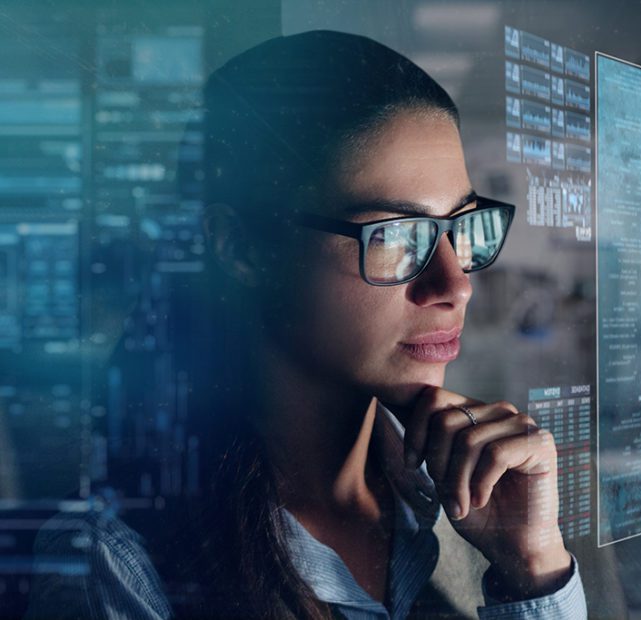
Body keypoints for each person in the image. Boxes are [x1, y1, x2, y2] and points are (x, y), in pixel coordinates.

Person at [25, 29, 587, 619]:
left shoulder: (460, 506)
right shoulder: (116, 566)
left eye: (462, 228)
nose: (456, 285)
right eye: (396, 237)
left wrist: (532, 572)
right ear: (242, 248)